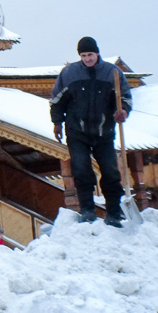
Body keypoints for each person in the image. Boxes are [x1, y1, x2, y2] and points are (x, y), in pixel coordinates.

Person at [50, 36, 132, 227]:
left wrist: (124, 111)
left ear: (97, 53)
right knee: (81, 170)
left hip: (104, 131)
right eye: (84, 55)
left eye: (90, 54)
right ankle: (87, 210)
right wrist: (57, 123)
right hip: (77, 131)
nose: (87, 58)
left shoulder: (112, 73)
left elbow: (125, 97)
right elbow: (56, 100)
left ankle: (113, 212)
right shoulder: (69, 73)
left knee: (111, 172)